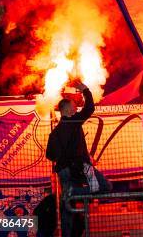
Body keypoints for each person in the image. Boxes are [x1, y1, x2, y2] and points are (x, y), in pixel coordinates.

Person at [46, 80, 112, 237]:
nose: (76, 109)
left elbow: (50, 155)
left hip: (64, 171)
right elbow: (90, 108)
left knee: (67, 206)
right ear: (68, 110)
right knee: (105, 186)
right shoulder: (74, 121)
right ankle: (74, 192)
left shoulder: (54, 133)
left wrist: (64, 157)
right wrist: (85, 90)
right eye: (74, 107)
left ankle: (68, 232)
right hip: (82, 166)